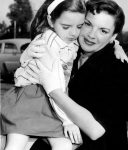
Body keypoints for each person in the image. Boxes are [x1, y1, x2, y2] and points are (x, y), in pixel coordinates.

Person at [24, 0, 128, 149]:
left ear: (113, 36)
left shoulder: (118, 70)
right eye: (87, 24)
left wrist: (54, 90)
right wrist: (27, 56)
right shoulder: (69, 52)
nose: (91, 35)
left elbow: (95, 130)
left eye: (103, 31)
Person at [1, 0, 98, 150]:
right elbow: (55, 86)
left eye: (79, 26)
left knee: (64, 145)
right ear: (50, 21)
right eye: (66, 26)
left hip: (50, 102)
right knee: (16, 145)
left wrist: (116, 45)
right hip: (32, 99)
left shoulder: (66, 39)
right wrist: (67, 120)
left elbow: (101, 35)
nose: (74, 32)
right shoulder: (48, 46)